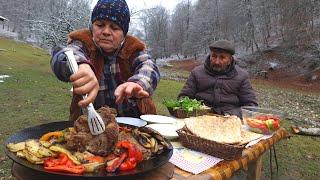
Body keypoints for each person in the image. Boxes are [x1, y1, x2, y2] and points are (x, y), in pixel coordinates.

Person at [51, 0, 160, 121]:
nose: (106, 32)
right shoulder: (83, 43)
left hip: (134, 124)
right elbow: (64, 55)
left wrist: (138, 83)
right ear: (92, 27)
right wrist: (81, 65)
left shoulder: (133, 49)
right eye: (100, 25)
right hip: (90, 123)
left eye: (114, 27)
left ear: (124, 35)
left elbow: (149, 66)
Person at [178, 40, 258, 118]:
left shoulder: (242, 76)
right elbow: (183, 97)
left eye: (222, 57)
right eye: (214, 56)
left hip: (229, 121)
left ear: (230, 60)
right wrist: (197, 109)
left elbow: (251, 106)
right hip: (199, 117)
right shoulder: (196, 72)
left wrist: (229, 114)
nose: (217, 61)